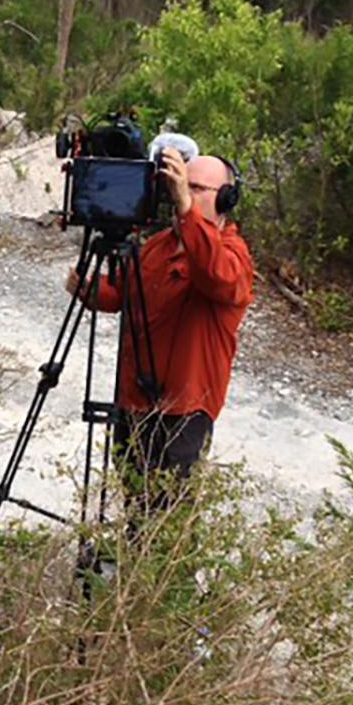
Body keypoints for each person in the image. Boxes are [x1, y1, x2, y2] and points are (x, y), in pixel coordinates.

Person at [65, 148, 255, 516]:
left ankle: (162, 557)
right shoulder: (159, 245)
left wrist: (186, 209)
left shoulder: (232, 254)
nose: (182, 192)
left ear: (226, 198)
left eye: (196, 187)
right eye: (180, 184)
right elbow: (123, 294)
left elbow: (216, 275)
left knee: (168, 516)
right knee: (135, 505)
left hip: (183, 410)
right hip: (134, 400)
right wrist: (87, 288)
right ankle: (130, 554)